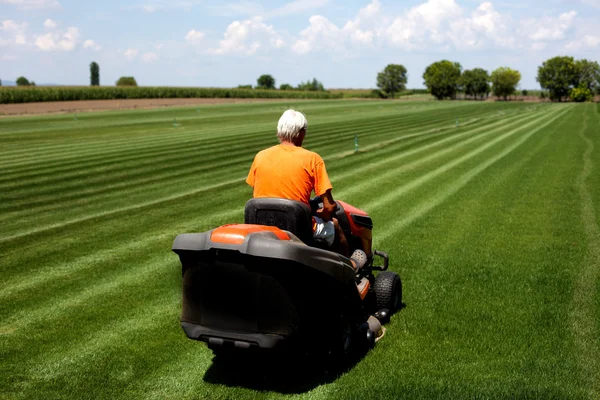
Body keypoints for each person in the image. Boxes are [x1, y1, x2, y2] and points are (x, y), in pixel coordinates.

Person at [246, 109, 366, 270]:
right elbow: (330, 206)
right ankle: (349, 271)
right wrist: (323, 213)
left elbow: (262, 192)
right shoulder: (312, 159)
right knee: (335, 226)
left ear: (278, 131)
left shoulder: (260, 156)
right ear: (301, 133)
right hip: (298, 229)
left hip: (263, 229)